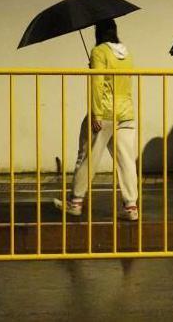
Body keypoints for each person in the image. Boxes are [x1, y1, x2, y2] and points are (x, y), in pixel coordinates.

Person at [54, 19, 139, 221]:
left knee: (87, 158)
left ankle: (75, 202)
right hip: (126, 113)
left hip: (106, 111)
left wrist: (96, 113)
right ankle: (131, 207)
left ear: (98, 32)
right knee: (126, 161)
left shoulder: (99, 52)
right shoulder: (126, 54)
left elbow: (98, 84)